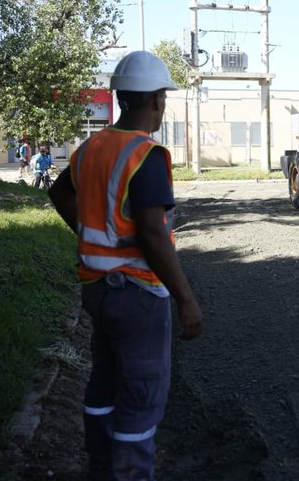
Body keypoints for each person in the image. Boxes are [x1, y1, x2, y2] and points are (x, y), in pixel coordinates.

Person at [48, 51, 203, 481]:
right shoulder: (146, 154)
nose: (163, 105)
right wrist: (186, 299)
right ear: (155, 100)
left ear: (120, 98)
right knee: (140, 393)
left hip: (96, 290)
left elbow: (60, 194)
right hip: (137, 296)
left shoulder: (90, 148)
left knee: (105, 379)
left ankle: (101, 467)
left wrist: (91, 233)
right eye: (164, 97)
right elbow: (154, 235)